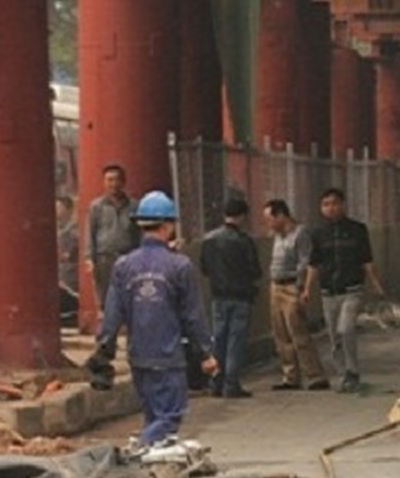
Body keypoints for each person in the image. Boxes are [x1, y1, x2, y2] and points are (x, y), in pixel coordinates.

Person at [92, 191, 218, 446]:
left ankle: (154, 472)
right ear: (169, 225)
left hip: (138, 357)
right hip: (169, 356)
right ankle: (136, 452)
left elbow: (112, 315)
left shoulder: (123, 266)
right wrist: (205, 353)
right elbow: (193, 314)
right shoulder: (179, 266)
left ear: (140, 224)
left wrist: (104, 351)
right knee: (169, 418)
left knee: (153, 418)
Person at [304, 187, 385, 393]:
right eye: (326, 204)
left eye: (334, 203)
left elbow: (366, 260)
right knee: (334, 337)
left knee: (346, 328)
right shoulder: (317, 233)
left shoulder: (357, 230)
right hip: (328, 292)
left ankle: (353, 371)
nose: (330, 208)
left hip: (352, 289)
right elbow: (313, 264)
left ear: (343, 205)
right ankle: (343, 375)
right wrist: (307, 290)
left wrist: (376, 285)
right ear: (321, 208)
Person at [263, 198, 329, 391]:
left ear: (281, 215)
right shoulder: (277, 236)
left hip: (292, 286)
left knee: (298, 331)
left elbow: (305, 262)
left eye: (270, 219)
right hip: (276, 285)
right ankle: (290, 376)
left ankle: (315, 375)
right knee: (280, 333)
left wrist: (302, 287)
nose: (268, 224)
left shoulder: (300, 234)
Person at [200, 197, 261, 399]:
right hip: (241, 296)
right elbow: (255, 270)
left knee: (218, 339)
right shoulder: (244, 241)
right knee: (236, 340)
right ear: (242, 216)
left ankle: (215, 382)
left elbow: (204, 268)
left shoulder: (208, 239)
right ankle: (231, 384)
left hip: (218, 295)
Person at [86, 164, 140, 313]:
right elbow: (90, 232)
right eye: (109, 180)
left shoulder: (134, 206)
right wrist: (89, 257)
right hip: (104, 257)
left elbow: (139, 232)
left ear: (123, 182)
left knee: (129, 293)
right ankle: (107, 328)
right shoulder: (96, 206)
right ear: (104, 182)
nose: (113, 184)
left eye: (117, 180)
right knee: (104, 295)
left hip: (128, 255)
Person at [56, 196, 80, 325]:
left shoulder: (74, 230)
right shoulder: (59, 228)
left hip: (71, 273)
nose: (57, 210)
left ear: (69, 209)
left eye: (59, 207)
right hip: (62, 272)